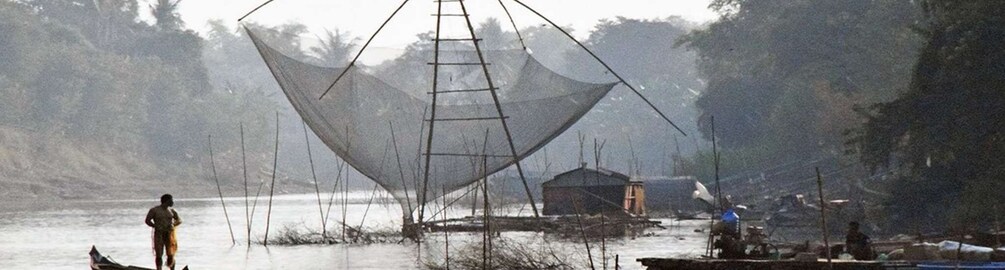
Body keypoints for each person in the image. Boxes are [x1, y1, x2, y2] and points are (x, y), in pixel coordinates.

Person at [146, 194, 182, 270]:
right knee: (159, 254)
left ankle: (172, 269)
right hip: (159, 234)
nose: (173, 202)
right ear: (167, 201)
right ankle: (159, 269)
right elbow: (147, 220)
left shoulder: (171, 211)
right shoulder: (154, 210)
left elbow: (179, 220)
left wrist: (173, 224)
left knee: (171, 254)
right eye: (171, 200)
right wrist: (155, 226)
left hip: (169, 234)